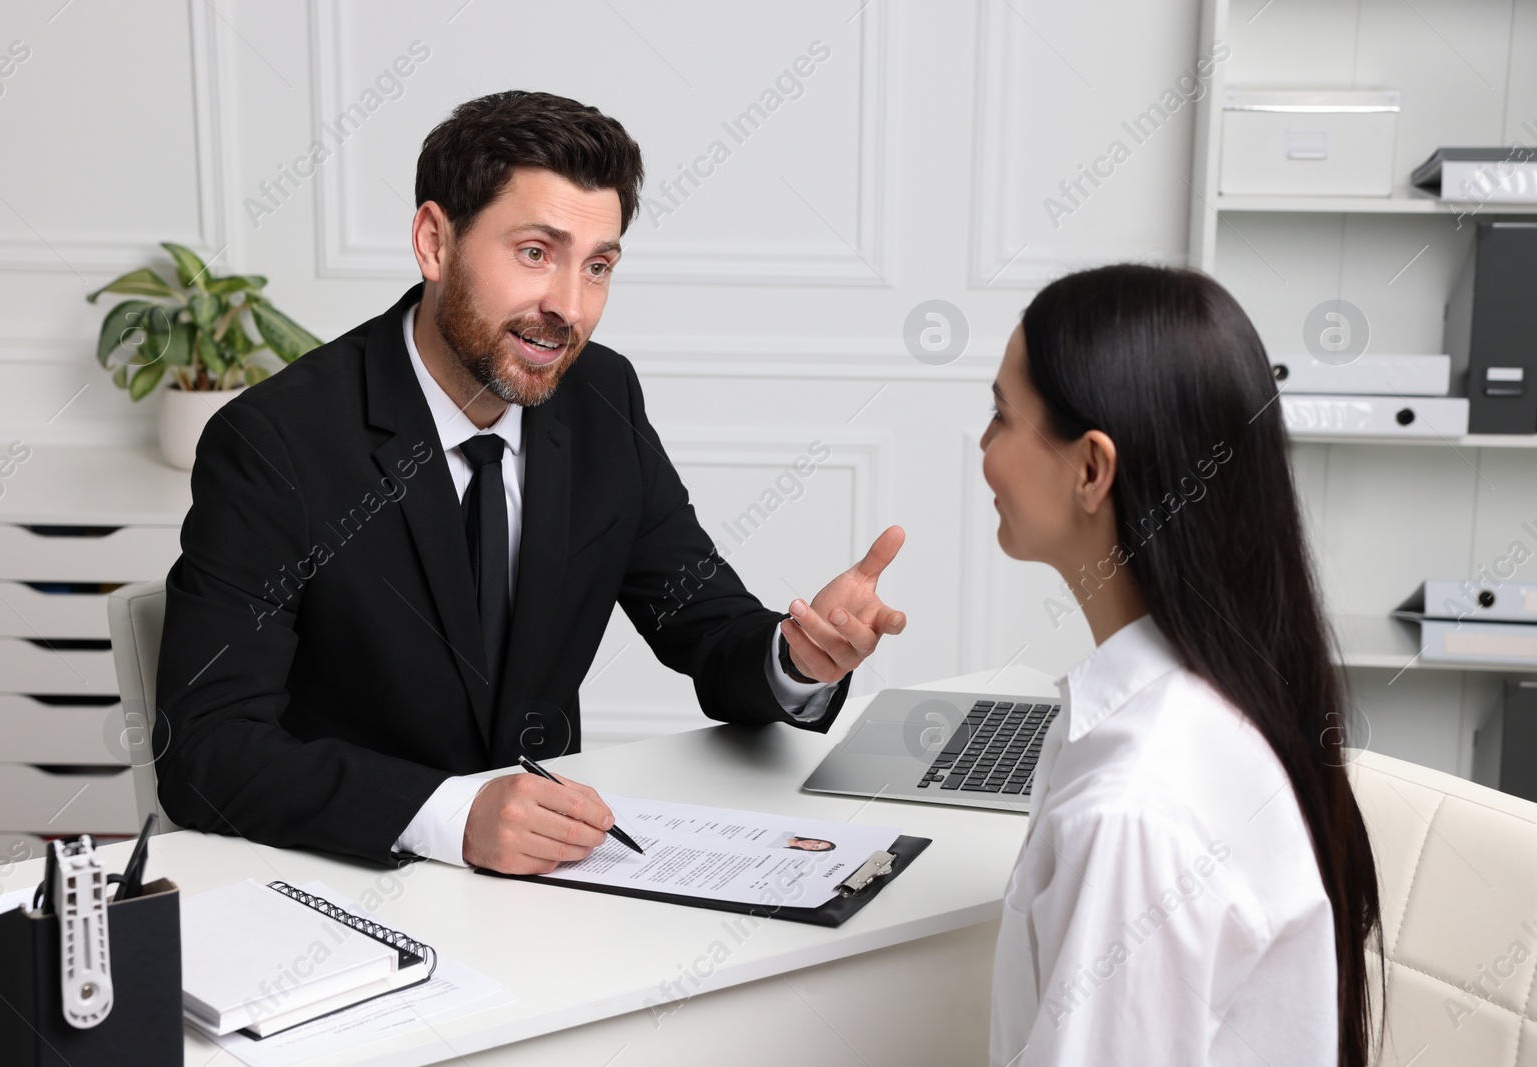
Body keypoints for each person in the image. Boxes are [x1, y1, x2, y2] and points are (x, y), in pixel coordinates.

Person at [154, 91, 906, 876]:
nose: (568, 308)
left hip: (545, 892)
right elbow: (205, 748)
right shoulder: (276, 442)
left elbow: (703, 621)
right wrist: (450, 815)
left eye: (598, 267)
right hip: (345, 879)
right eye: (535, 253)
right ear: (435, 242)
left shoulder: (602, 400)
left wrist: (797, 658)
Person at [980, 265, 1380, 1066]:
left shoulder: (1133, 814)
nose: (986, 447)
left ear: (1093, 469)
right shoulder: (1219, 701)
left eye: (1000, 415)